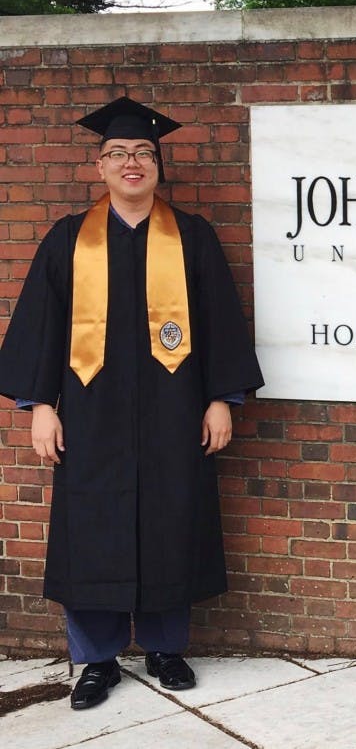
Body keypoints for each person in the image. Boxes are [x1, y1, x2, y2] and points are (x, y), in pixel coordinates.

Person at [0, 97, 264, 710]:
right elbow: (41, 326)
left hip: (175, 413)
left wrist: (221, 398)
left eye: (143, 153)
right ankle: (95, 660)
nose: (131, 163)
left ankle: (166, 648)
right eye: (118, 154)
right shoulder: (68, 240)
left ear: (158, 164)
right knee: (90, 529)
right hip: (90, 418)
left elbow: (221, 323)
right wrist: (41, 404)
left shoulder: (191, 238)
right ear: (100, 166)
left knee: (172, 518)